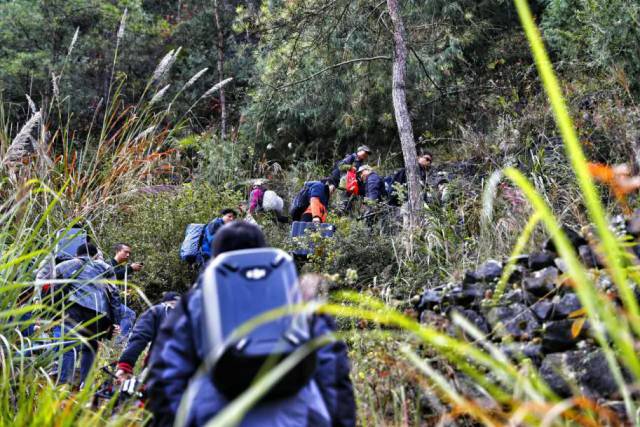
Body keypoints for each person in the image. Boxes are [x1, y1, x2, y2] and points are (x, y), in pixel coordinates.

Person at [146, 222, 354, 426]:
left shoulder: (195, 303)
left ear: (216, 259)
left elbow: (166, 376)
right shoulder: (299, 299)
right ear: (261, 252)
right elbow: (333, 373)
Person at [53, 242, 122, 386]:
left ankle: (64, 385)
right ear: (95, 255)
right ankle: (86, 386)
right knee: (91, 347)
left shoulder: (66, 265)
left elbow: (55, 288)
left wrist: (56, 311)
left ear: (77, 254)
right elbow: (115, 295)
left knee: (69, 346)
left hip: (74, 309)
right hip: (99, 313)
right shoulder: (106, 267)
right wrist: (115, 321)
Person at [115, 292, 181, 382]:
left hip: (158, 369)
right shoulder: (193, 317)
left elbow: (140, 337)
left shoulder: (158, 310)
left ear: (165, 301)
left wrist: (125, 365)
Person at [330, 146, 372, 214]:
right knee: (342, 204)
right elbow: (340, 166)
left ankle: (344, 215)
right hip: (344, 184)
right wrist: (351, 167)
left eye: (367, 154)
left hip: (350, 185)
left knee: (348, 203)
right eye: (365, 152)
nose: (366, 155)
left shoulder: (360, 161)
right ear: (359, 151)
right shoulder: (352, 157)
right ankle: (336, 215)